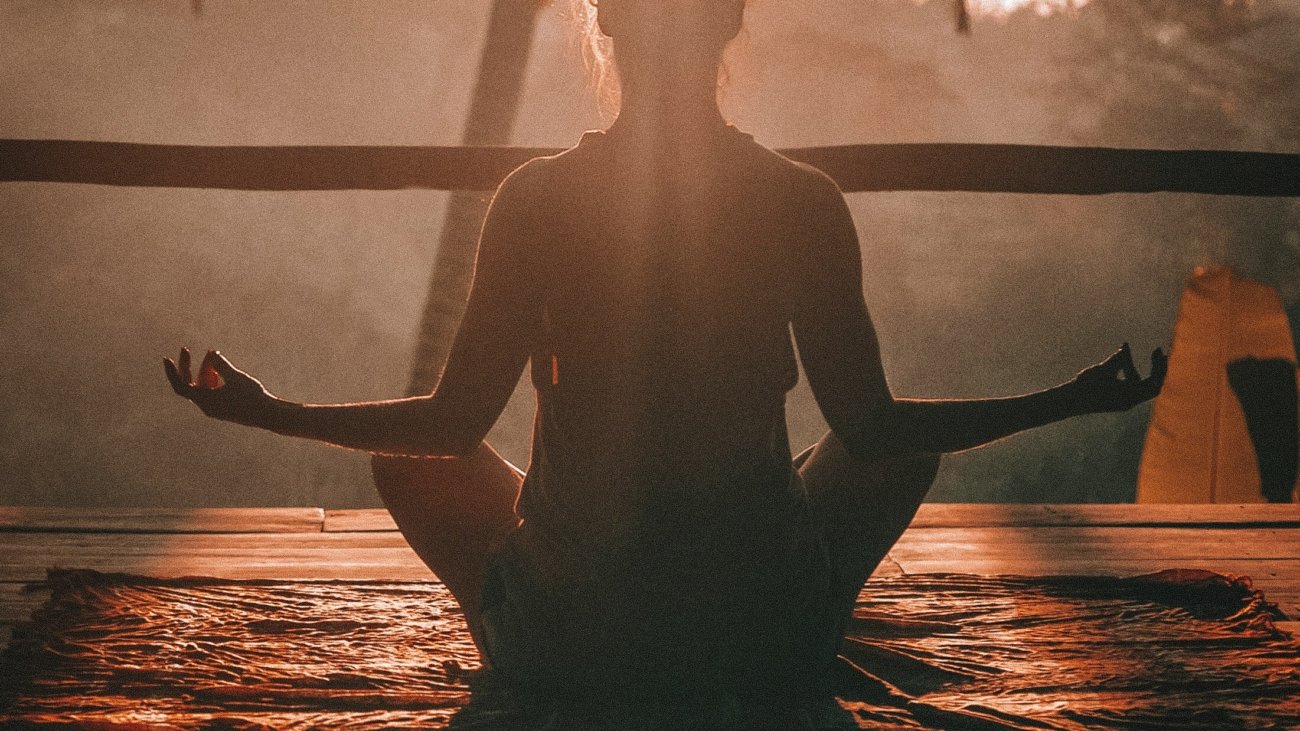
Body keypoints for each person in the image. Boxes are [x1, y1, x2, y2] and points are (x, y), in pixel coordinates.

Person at [165, 0, 1166, 713]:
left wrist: (267, 409)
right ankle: (800, 628)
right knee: (897, 447)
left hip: (576, 639)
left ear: (605, 23)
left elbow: (448, 426)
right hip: (757, 629)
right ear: (731, 20)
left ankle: (528, 643)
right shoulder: (799, 200)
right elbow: (874, 428)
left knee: (411, 461)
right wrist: (1067, 398)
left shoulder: (536, 199)